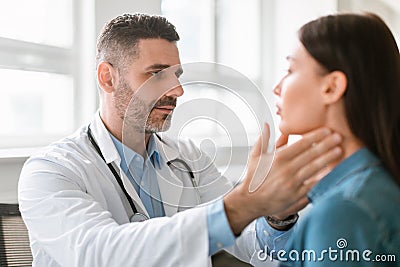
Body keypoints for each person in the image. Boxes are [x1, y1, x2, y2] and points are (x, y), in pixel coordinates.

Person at [18, 13, 343, 267]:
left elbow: (249, 245)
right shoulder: (50, 171)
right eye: (157, 74)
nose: (177, 91)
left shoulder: (189, 158)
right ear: (108, 77)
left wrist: (275, 213)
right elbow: (100, 254)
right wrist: (240, 204)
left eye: (177, 76)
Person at [272, 13, 400, 266]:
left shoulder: (343, 211)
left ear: (331, 87)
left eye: (290, 70)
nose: (278, 87)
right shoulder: (373, 186)